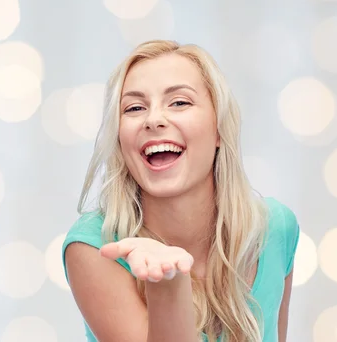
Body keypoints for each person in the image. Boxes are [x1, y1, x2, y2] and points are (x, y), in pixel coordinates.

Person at [61, 40, 300, 342]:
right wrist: (167, 283)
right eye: (134, 108)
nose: (154, 120)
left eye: (179, 102)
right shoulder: (95, 247)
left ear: (218, 129)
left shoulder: (276, 228)